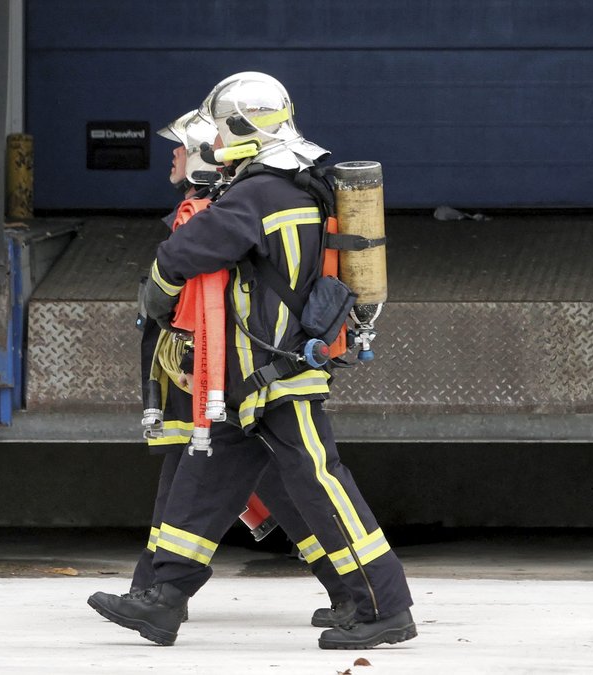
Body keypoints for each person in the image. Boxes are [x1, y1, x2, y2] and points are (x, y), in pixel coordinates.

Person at [90, 73, 416, 650]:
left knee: (320, 481)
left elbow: (185, 251)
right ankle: (162, 600)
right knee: (203, 478)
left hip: (276, 374)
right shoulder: (296, 183)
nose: (212, 142)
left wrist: (159, 294)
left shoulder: (259, 191)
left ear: (240, 128)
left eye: (219, 129)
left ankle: (382, 606)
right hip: (249, 378)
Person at [119, 109, 355, 627]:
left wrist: (186, 358)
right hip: (232, 375)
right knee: (232, 479)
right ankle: (158, 593)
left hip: (226, 374)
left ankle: (157, 592)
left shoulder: (213, 211)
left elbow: (195, 297)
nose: (174, 155)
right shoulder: (222, 204)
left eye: (182, 146)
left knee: (255, 482)